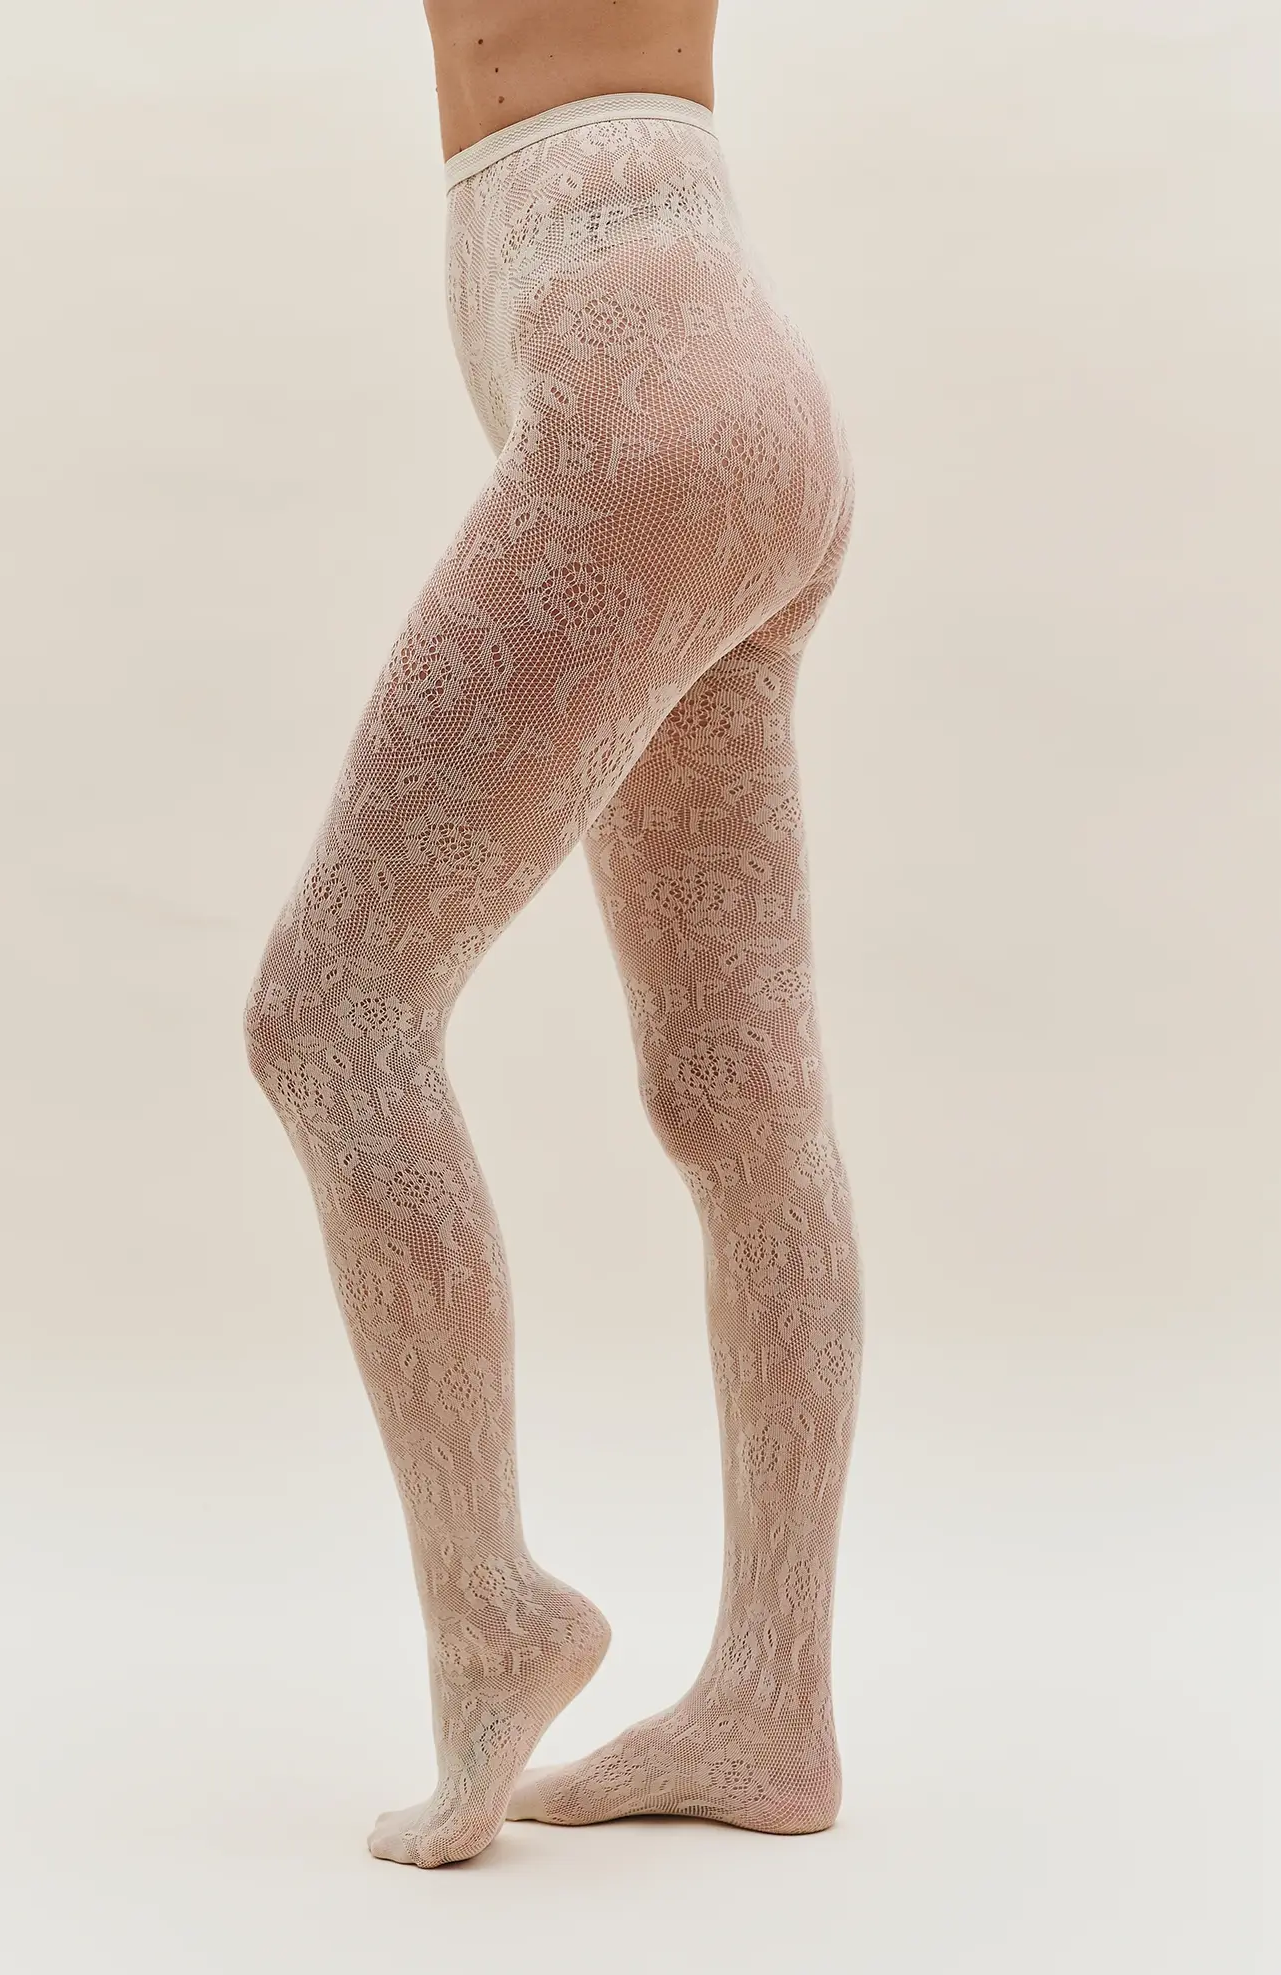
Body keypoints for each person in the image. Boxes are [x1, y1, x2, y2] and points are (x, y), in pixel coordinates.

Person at [243, 0, 865, 1869]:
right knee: (740, 1097)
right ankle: (772, 1704)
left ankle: (490, 1617)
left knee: (328, 1018)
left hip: (637, 398)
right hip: (742, 390)